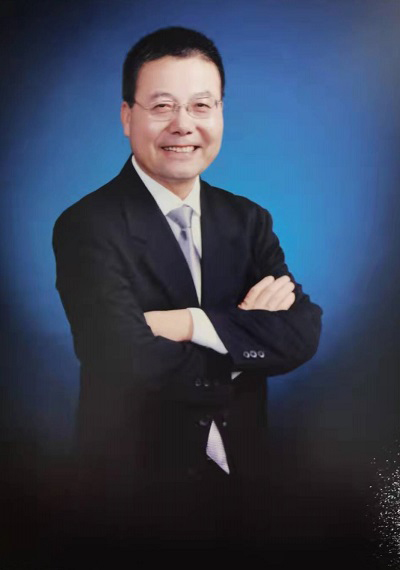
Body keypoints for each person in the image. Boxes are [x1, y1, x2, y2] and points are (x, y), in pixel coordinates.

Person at [52, 26, 322, 558]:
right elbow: (122, 357)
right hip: (132, 496)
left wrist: (188, 323)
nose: (184, 124)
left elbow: (300, 333)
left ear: (220, 113)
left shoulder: (248, 220)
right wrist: (241, 337)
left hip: (246, 488)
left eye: (202, 105)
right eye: (162, 106)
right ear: (127, 116)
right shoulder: (88, 225)